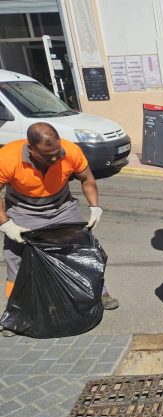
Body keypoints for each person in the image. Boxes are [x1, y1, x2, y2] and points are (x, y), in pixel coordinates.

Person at [0, 123, 118, 336]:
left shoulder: (70, 151)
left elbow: (87, 179)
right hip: (23, 210)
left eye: (57, 153)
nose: (55, 159)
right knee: (16, 256)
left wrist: (95, 207)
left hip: (61, 206)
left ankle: (100, 293)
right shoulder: (8, 157)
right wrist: (6, 224)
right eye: (48, 156)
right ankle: (16, 313)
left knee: (83, 246)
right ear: (31, 149)